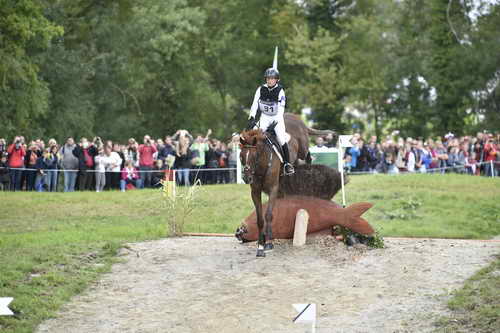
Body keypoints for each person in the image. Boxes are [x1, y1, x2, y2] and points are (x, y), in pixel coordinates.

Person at [246, 67, 294, 175]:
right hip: (265, 117)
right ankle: (250, 163)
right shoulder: (260, 89)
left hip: (276, 117)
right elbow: (254, 104)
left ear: (277, 80)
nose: (270, 80)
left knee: (281, 139)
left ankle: (287, 164)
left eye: (272, 79)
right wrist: (252, 117)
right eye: (268, 78)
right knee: (253, 135)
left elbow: (281, 109)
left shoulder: (280, 91)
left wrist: (275, 123)